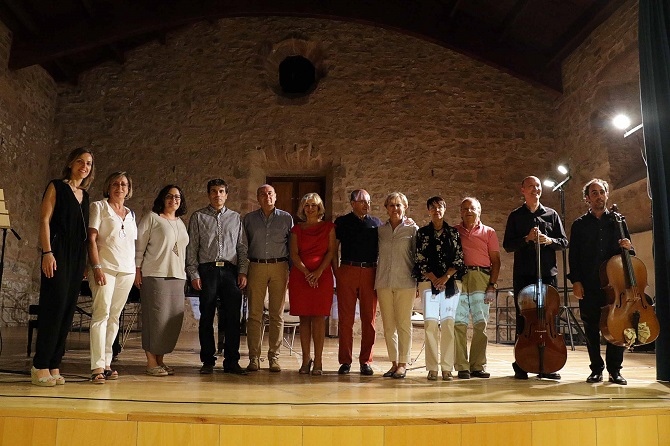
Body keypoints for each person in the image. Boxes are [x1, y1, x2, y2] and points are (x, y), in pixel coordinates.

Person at [32, 147, 94, 387]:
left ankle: (54, 363)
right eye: (80, 161)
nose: (84, 166)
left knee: (68, 310)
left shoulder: (85, 196)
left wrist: (87, 261)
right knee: (53, 307)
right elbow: (44, 219)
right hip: (57, 252)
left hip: (77, 256)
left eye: (88, 163)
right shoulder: (56, 186)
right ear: (70, 163)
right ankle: (40, 365)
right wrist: (47, 252)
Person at [503, 175, 568, 380]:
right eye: (531, 186)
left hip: (547, 276)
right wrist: (526, 239)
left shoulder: (552, 214)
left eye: (538, 186)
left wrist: (548, 240)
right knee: (525, 322)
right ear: (522, 190)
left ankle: (547, 365)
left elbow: (564, 242)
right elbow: (507, 245)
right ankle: (522, 363)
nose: (535, 189)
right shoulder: (515, 216)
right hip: (524, 276)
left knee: (549, 319)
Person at [568, 179, 630, 385]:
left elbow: (630, 254)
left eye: (601, 192)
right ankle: (596, 369)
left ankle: (615, 370)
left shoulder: (619, 221)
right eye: (593, 193)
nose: (598, 196)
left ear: (607, 194)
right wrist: (576, 281)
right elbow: (574, 256)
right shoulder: (579, 225)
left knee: (618, 325)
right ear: (587, 198)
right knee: (591, 327)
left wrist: (628, 246)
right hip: (590, 283)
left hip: (616, 286)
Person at [186, 179, 249, 375]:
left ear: (226, 194)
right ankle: (208, 360)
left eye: (221, 191)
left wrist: (242, 271)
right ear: (208, 194)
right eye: (214, 191)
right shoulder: (198, 217)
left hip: (230, 271)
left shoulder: (236, 218)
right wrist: (194, 273)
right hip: (208, 271)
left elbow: (242, 247)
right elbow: (192, 248)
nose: (218, 195)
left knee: (233, 317)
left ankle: (232, 360)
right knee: (206, 317)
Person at [87, 171, 137, 383]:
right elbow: (91, 238)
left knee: (115, 317)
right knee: (101, 314)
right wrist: (96, 266)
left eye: (124, 184)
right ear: (108, 187)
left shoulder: (131, 213)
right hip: (104, 268)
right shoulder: (99, 206)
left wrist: (135, 269)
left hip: (126, 270)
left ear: (129, 189)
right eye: (115, 183)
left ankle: (107, 362)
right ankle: (96, 365)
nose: (120, 187)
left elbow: (131, 244)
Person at [135, 185, 189, 377]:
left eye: (177, 197)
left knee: (169, 321)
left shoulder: (181, 222)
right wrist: (137, 270)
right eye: (169, 196)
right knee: (155, 319)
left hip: (177, 276)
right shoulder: (152, 218)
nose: (173, 200)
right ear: (162, 198)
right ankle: (150, 362)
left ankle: (160, 360)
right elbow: (139, 245)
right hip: (155, 274)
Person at [414, 196, 465, 381]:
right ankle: (432, 368)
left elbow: (459, 258)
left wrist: (445, 277)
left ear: (445, 209)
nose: (437, 210)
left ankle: (446, 367)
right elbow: (419, 259)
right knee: (430, 324)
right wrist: (435, 279)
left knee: (448, 324)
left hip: (450, 284)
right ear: (428, 210)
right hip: (429, 283)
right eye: (433, 207)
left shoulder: (454, 233)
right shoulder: (422, 233)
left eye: (440, 207)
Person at [243, 184, 293, 372]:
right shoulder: (249, 219)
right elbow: (243, 246)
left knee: (276, 314)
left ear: (276, 196)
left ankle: (274, 357)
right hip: (256, 266)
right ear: (258, 198)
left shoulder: (286, 218)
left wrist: (291, 270)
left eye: (270, 193)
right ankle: (254, 358)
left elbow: (292, 245)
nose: (267, 197)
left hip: (279, 266)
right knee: (254, 314)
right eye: (263, 194)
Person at [333, 189, 383, 375]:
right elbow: (333, 249)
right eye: (362, 201)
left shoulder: (377, 223)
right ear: (352, 203)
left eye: (368, 201)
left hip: (370, 271)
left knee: (369, 320)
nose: (366, 204)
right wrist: (336, 274)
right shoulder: (342, 222)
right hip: (348, 269)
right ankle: (345, 361)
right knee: (346, 320)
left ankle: (365, 361)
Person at [288, 193, 336, 375]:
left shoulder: (329, 227)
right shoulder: (296, 229)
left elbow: (331, 252)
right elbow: (294, 254)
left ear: (319, 208)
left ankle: (319, 360)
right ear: (302, 208)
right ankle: (306, 359)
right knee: (304, 318)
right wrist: (307, 273)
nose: (310, 209)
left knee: (319, 318)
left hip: (322, 277)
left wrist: (318, 272)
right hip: (301, 277)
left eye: (313, 205)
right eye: (306, 205)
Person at [454, 197, 500, 379]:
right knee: (459, 324)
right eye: (464, 208)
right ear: (460, 212)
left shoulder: (489, 232)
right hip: (459, 279)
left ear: (479, 210)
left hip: (481, 278)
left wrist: (492, 285)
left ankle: (477, 365)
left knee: (480, 324)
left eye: (472, 208)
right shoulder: (455, 231)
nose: (468, 211)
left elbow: (496, 261)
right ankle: (462, 366)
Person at [375, 192, 418, 379]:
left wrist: (417, 282)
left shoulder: (412, 230)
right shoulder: (381, 230)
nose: (395, 208)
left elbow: (418, 257)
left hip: (405, 281)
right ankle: (393, 363)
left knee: (403, 324)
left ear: (405, 207)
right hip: (384, 281)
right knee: (388, 326)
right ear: (386, 208)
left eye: (398, 205)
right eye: (391, 205)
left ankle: (403, 363)